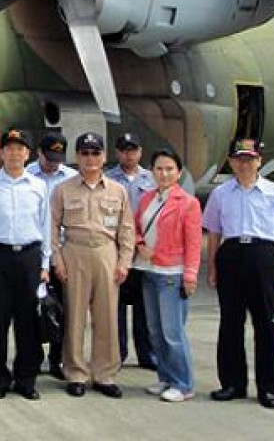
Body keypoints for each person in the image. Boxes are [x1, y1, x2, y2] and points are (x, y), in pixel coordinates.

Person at [203, 138, 274, 410]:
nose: (244, 164)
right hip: (231, 255)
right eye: (239, 159)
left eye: (249, 159)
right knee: (230, 323)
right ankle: (233, 383)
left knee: (265, 325)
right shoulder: (221, 193)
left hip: (264, 257)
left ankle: (268, 388)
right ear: (231, 162)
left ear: (259, 161)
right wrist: (211, 267)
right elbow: (214, 232)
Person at [51, 132, 134, 399]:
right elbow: (51, 227)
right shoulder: (63, 189)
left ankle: (104, 374)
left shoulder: (117, 190)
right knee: (74, 317)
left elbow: (127, 230)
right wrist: (58, 260)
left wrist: (124, 262)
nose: (90, 158)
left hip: (106, 253)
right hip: (75, 252)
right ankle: (76, 372)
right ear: (77, 157)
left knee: (107, 317)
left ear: (104, 156)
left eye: (95, 153)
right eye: (85, 153)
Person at [0, 128, 51, 400]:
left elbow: (46, 225)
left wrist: (45, 263)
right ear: (2, 153)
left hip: (29, 257)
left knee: (27, 320)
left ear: (28, 154)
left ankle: (26, 378)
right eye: (10, 148)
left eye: (20, 149)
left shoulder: (38, 185)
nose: (15, 153)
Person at [134, 148, 201, 403]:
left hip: (172, 274)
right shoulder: (147, 199)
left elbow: (193, 243)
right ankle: (165, 377)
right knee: (155, 330)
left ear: (179, 172)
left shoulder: (188, 204)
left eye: (169, 169)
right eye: (159, 168)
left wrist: (191, 275)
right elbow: (138, 225)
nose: (164, 173)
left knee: (173, 332)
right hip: (149, 271)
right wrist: (140, 244)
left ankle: (183, 384)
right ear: (152, 171)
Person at [27, 131, 76, 379]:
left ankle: (58, 359)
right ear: (38, 153)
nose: (52, 164)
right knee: (32, 306)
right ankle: (33, 357)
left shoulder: (71, 178)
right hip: (34, 251)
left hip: (64, 252)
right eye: (48, 159)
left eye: (57, 159)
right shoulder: (26, 175)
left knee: (64, 308)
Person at [107, 132, 157, 370]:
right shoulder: (108, 179)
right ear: (117, 153)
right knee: (115, 307)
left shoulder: (153, 180)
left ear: (140, 152)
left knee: (144, 308)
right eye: (124, 150)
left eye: (133, 149)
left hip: (144, 253)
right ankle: (118, 354)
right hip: (115, 251)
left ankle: (147, 355)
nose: (129, 154)